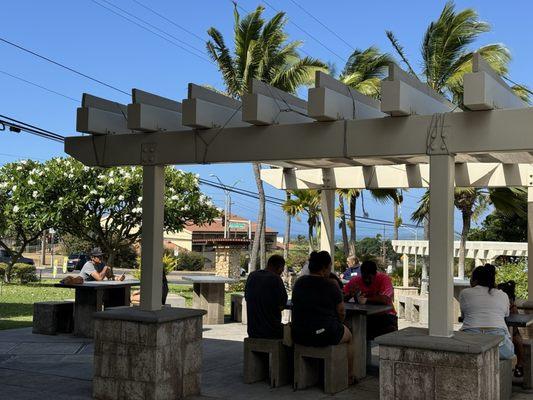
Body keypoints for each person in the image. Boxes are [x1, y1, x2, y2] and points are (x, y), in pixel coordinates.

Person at [291, 251, 353, 379]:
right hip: (324, 333)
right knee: (350, 336)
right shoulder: (331, 285)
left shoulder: (299, 283)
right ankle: (349, 375)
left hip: (298, 333)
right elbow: (341, 311)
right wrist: (339, 323)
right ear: (325, 267)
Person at [459, 264, 514, 360]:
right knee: (509, 350)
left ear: (475, 280)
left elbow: (464, 316)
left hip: (470, 340)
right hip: (500, 345)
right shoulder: (503, 295)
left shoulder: (465, 293)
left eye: (471, 279)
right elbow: (506, 314)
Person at [343, 260, 398, 340]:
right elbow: (342, 297)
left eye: (369, 278)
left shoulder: (384, 279)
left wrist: (366, 300)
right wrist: (349, 295)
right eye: (364, 277)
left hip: (386, 315)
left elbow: (386, 299)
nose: (367, 280)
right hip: (365, 316)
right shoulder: (355, 281)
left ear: (375, 274)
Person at [244, 254, 288, 339]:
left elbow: (247, 297)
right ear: (280, 268)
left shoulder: (252, 276)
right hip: (272, 331)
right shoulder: (276, 279)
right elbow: (282, 306)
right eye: (282, 270)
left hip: (253, 331)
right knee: (293, 333)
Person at [498, 280, 525, 377]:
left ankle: (520, 365)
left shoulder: (512, 303)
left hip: (512, 330)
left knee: (518, 341)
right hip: (502, 329)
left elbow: (515, 318)